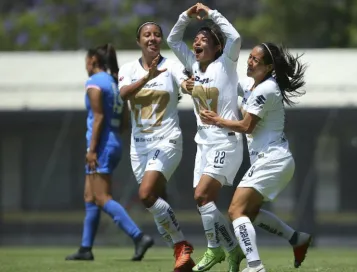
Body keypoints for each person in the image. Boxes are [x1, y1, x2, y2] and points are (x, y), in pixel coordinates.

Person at [200, 43, 312, 272]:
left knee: (235, 211)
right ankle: (296, 239)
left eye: (256, 60)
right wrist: (197, 81)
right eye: (249, 57)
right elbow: (229, 84)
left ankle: (255, 266)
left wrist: (216, 120)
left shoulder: (266, 89)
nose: (249, 62)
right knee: (249, 213)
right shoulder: (254, 85)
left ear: (269, 67)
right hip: (273, 160)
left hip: (272, 159)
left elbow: (246, 126)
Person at [167, 3, 245, 272]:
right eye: (196, 40)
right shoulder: (192, 65)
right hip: (203, 143)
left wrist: (210, 13)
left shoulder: (226, 63)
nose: (197, 43)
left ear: (217, 48)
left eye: (204, 40)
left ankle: (218, 249)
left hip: (226, 140)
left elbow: (235, 37)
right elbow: (172, 39)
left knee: (202, 194)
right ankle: (228, 250)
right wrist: (186, 16)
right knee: (203, 201)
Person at [66, 44, 154, 262]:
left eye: (87, 60)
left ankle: (139, 236)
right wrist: (113, 136)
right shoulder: (115, 83)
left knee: (102, 197)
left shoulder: (95, 82)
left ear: (94, 60)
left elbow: (98, 118)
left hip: (101, 145)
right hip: (113, 141)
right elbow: (125, 120)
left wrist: (92, 149)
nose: (86, 65)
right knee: (91, 197)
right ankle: (85, 248)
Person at [118, 21, 194, 271]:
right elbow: (124, 94)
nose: (152, 38)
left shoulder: (171, 65)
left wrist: (189, 86)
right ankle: (182, 253)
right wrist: (147, 78)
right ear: (138, 41)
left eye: (157, 35)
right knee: (157, 201)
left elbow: (184, 83)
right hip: (139, 147)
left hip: (167, 140)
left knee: (146, 195)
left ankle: (182, 247)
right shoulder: (128, 68)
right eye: (147, 35)